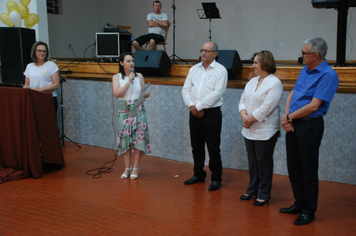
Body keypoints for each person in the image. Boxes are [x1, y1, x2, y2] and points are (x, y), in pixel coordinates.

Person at [280, 37, 339, 225]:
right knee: (294, 167)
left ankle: (308, 210)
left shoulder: (328, 75)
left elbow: (314, 106)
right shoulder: (305, 70)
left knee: (307, 169)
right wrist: (287, 117)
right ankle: (299, 202)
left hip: (309, 126)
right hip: (294, 123)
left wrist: (290, 118)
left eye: (304, 53)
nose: (301, 56)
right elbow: (293, 94)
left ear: (316, 55)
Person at [238, 50, 283, 206]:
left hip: (265, 130)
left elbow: (267, 107)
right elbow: (242, 100)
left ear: (265, 63)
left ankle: (263, 193)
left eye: (256, 62)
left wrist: (250, 119)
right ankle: (252, 190)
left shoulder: (274, 83)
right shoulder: (252, 81)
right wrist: (244, 116)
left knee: (263, 162)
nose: (253, 65)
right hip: (249, 129)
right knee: (252, 162)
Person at [181, 41, 228, 191]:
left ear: (215, 54)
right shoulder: (194, 69)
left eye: (207, 51)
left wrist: (199, 107)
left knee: (213, 147)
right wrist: (191, 106)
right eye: (202, 50)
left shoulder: (220, 70)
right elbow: (185, 89)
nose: (203, 53)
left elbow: (217, 93)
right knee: (196, 146)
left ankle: (216, 178)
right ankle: (198, 174)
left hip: (211, 113)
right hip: (193, 112)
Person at [112, 53, 151, 180]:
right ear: (121, 63)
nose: (131, 63)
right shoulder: (117, 77)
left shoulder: (139, 76)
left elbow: (144, 91)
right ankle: (127, 167)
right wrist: (129, 81)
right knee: (125, 140)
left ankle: (136, 167)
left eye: (132, 61)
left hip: (138, 109)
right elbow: (117, 94)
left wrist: (146, 94)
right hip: (124, 111)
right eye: (128, 61)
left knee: (138, 139)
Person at [23, 41, 60, 112]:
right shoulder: (29, 66)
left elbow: (56, 85)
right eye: (39, 51)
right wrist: (26, 87)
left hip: (48, 98)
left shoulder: (51, 65)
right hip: (33, 98)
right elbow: (27, 84)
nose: (42, 53)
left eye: (44, 51)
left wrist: (39, 90)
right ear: (34, 52)